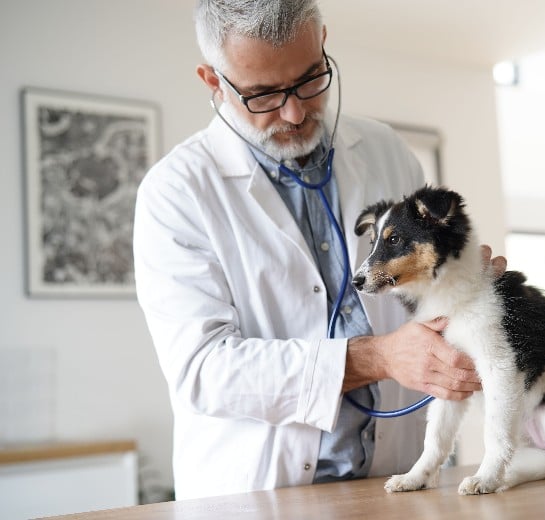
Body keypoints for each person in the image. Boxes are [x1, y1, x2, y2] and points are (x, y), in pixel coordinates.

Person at [134, 0, 502, 499]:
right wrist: (379, 358)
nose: (295, 111)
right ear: (213, 82)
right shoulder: (177, 192)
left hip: (390, 482)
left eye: (310, 79)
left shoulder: (384, 150)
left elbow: (419, 297)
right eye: (263, 94)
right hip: (259, 495)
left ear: (323, 43)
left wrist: (460, 288)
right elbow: (204, 371)